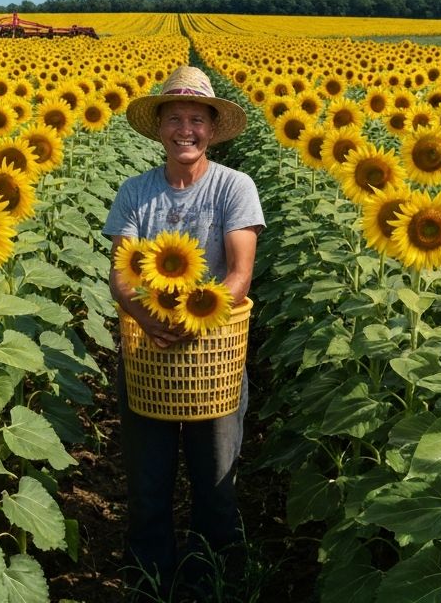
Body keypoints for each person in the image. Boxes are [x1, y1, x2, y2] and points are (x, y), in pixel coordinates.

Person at [103, 65, 265, 598]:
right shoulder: (136, 192)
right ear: (160, 129)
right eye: (176, 119)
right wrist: (146, 316)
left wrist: (201, 316)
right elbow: (122, 272)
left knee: (215, 481)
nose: (186, 130)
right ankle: (150, 577)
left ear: (213, 129)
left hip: (212, 354)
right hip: (148, 354)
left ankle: (212, 576)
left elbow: (239, 272)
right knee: (147, 484)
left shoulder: (234, 187)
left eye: (197, 119)